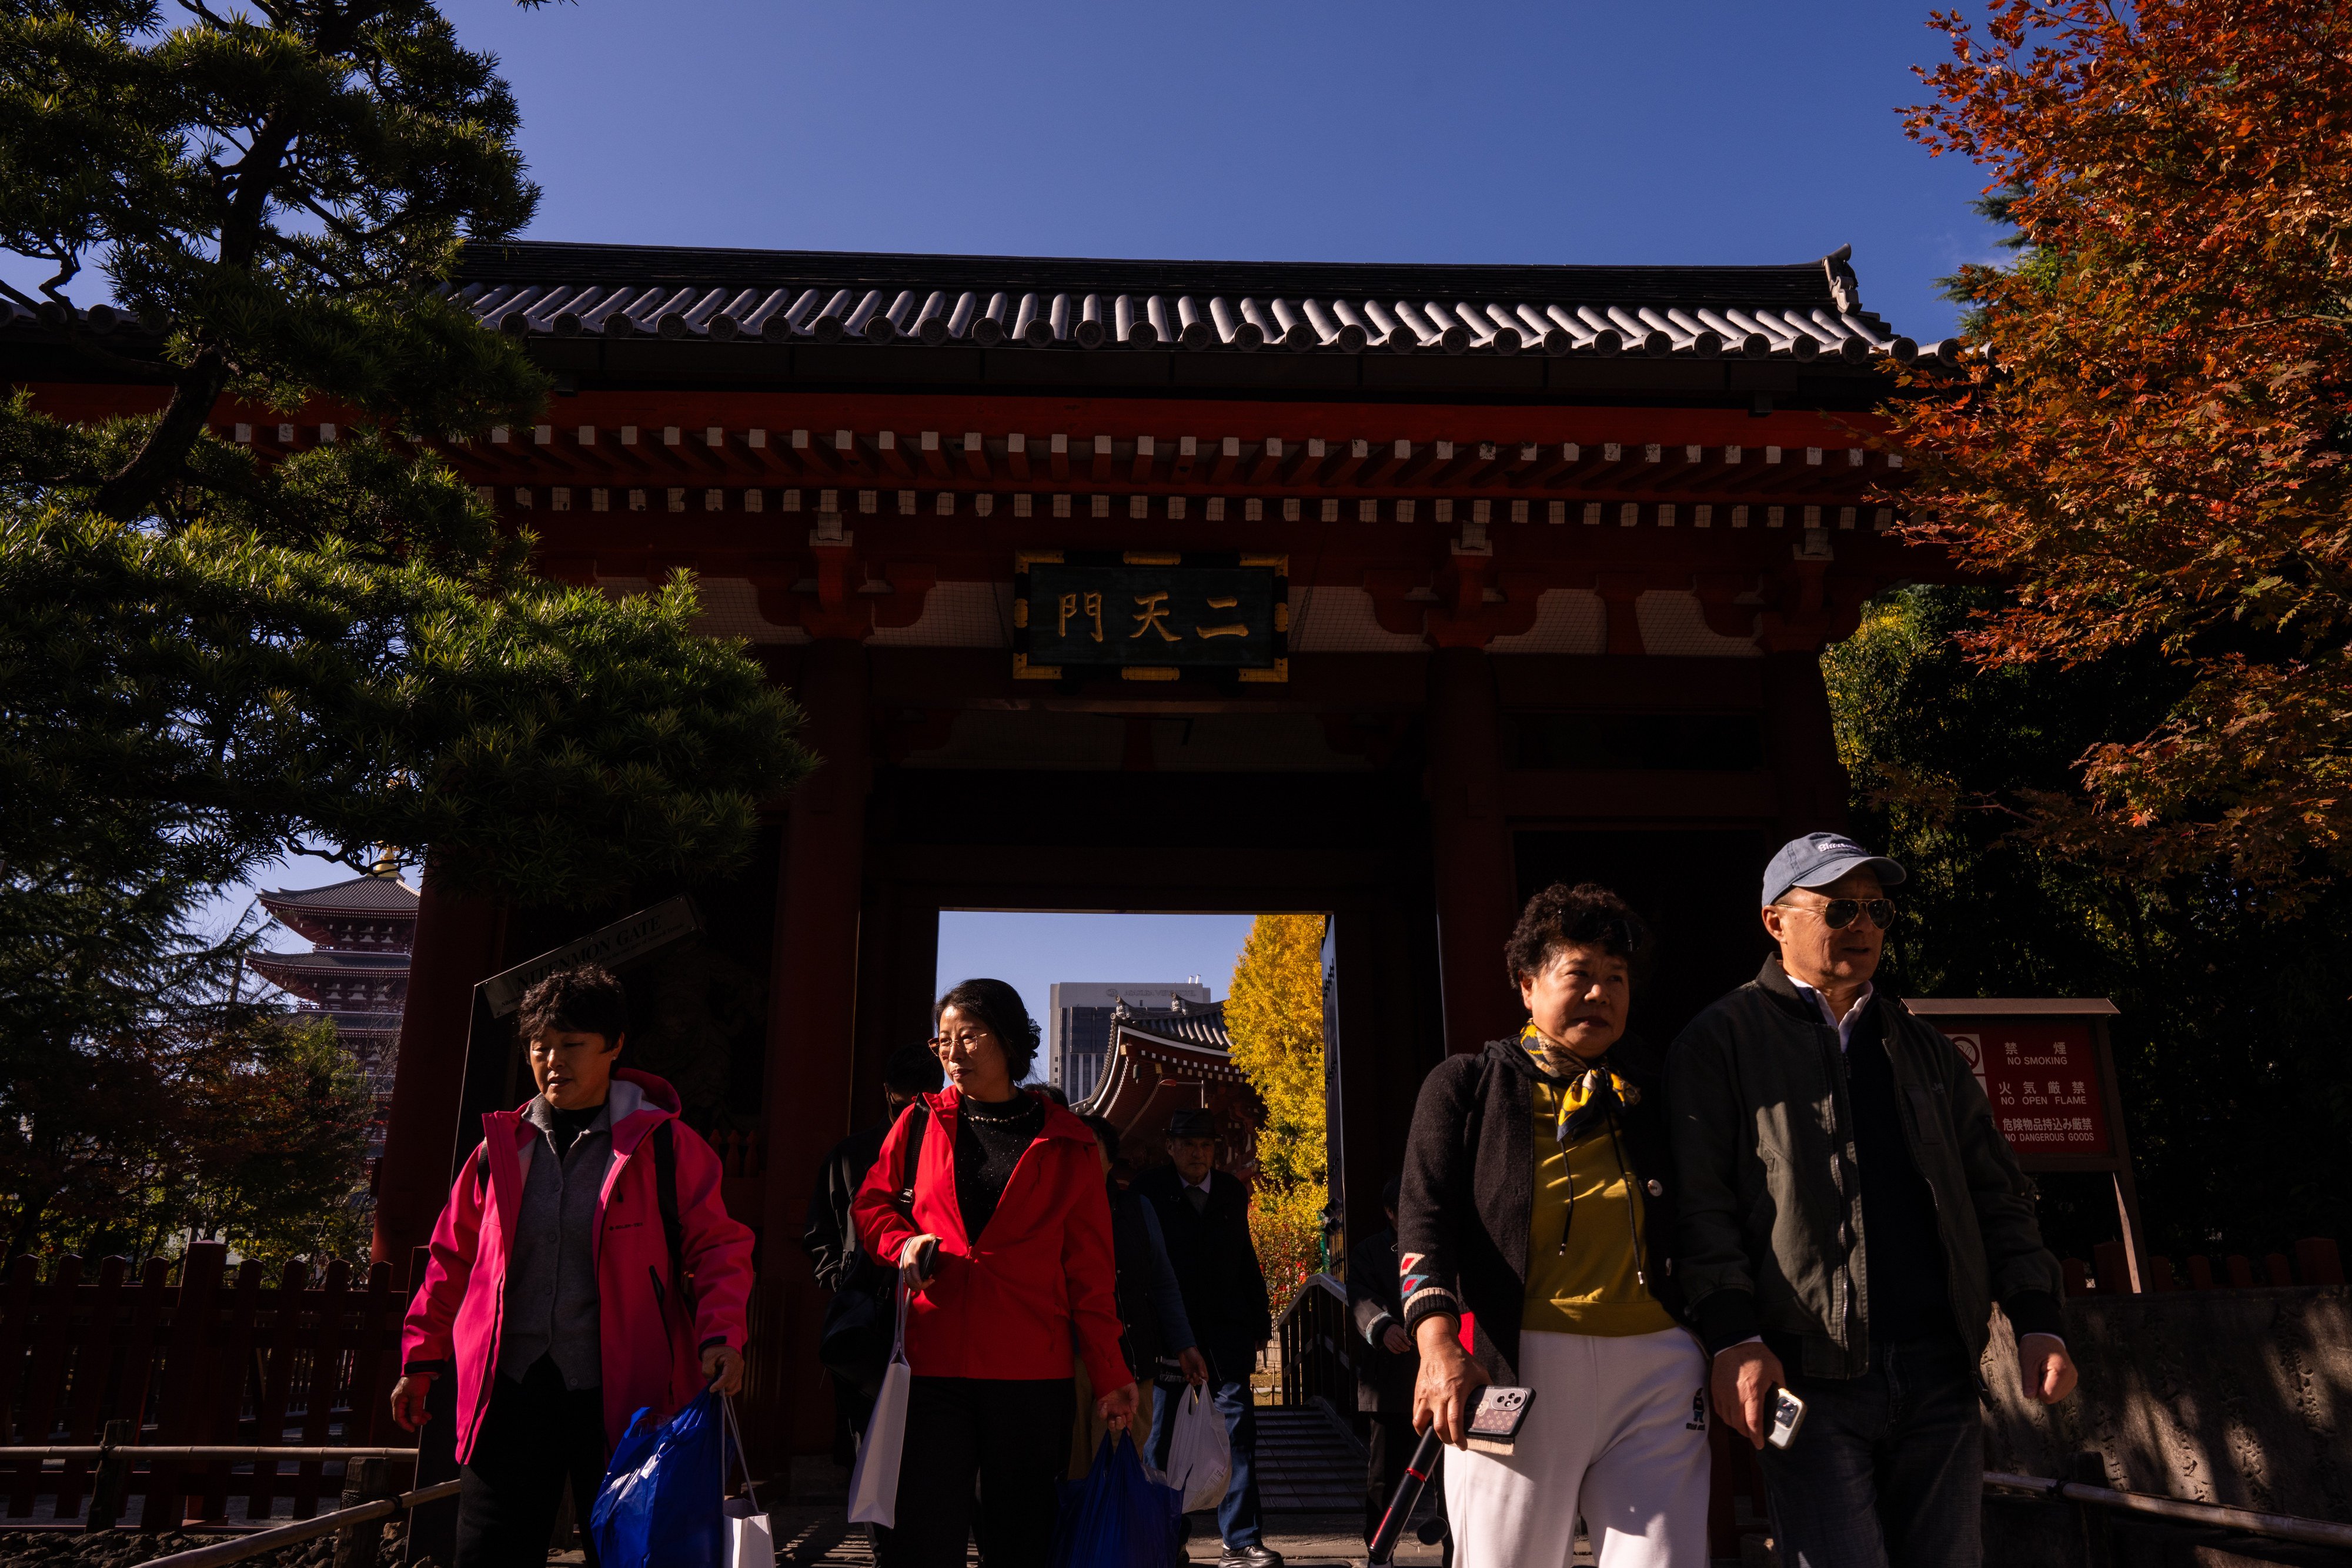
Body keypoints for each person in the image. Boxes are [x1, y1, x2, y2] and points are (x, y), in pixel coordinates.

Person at [1669, 832, 2081, 1568]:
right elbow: (1701, 1206)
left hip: (1939, 1371)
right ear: (1775, 921)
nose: (1861, 925)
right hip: (1809, 1373)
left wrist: (2036, 1319)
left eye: (1876, 910)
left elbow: (1995, 1192)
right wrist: (1733, 1337)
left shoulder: (1922, 1049)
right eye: (1838, 909)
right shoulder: (1719, 1042)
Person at [392, 964, 754, 1568]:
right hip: (508, 1390)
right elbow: (451, 1259)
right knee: (489, 1552)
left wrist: (722, 1335)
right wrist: (420, 1361)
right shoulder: (499, 1150)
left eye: (572, 1044)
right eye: (540, 1047)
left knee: (627, 1555)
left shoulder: (665, 1146)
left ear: (614, 1046)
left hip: (627, 1393)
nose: (553, 1061)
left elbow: (719, 1247)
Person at [1397, 882, 1706, 1568]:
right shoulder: (1466, 1087)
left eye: (1616, 978)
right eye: (1580, 974)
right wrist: (1437, 1344)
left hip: (1656, 1368)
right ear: (1526, 984)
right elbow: (1423, 1221)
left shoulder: (1655, 1093)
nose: (1600, 993)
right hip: (1515, 1363)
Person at [851, 978, 1138, 1568]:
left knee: (1021, 1541)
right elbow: (872, 1206)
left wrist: (1110, 1373)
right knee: (922, 1540)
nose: (953, 1053)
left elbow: (1089, 1272)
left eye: (970, 1036)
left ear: (1008, 1040)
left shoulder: (1070, 1142)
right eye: (943, 1040)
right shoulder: (919, 1122)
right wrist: (903, 1245)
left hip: (1030, 1371)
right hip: (933, 1362)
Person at [1137, 1108, 1279, 1568]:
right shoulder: (1149, 1191)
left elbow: (1246, 1259)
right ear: (1171, 1146)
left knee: (1238, 1434)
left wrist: (1259, 1323)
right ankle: (1164, 1539)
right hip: (1170, 1337)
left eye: (1205, 1145)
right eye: (1188, 1144)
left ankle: (1241, 1540)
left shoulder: (1231, 1191)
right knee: (1163, 1441)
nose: (1197, 1153)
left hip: (1225, 1335)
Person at [804, 1041, 947, 1451]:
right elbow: (820, 1232)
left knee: (927, 1434)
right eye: (903, 1106)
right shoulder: (850, 1155)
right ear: (888, 1092)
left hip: (930, 1308)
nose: (909, 1119)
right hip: (866, 1306)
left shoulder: (949, 1153)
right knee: (864, 1433)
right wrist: (841, 1278)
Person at [1347, 1175, 1448, 1562]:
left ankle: (1457, 1551)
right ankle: (1379, 1552)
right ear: (1391, 1212)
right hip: (1391, 1379)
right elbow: (1361, 1298)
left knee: (1452, 1478)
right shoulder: (1370, 1251)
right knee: (1385, 1477)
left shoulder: (1444, 1245)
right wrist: (1383, 1327)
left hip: (1444, 1377)